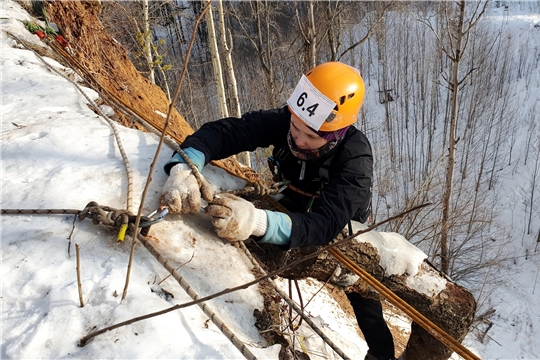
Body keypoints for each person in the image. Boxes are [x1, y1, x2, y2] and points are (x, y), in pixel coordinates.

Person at [160, 62, 396, 360]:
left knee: (362, 295)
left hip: (342, 221)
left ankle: (382, 355)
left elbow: (325, 225)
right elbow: (228, 132)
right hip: (292, 197)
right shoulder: (288, 120)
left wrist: (257, 221)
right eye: (295, 128)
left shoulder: (355, 158)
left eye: (311, 137)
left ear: (337, 133)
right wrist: (186, 164)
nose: (298, 139)